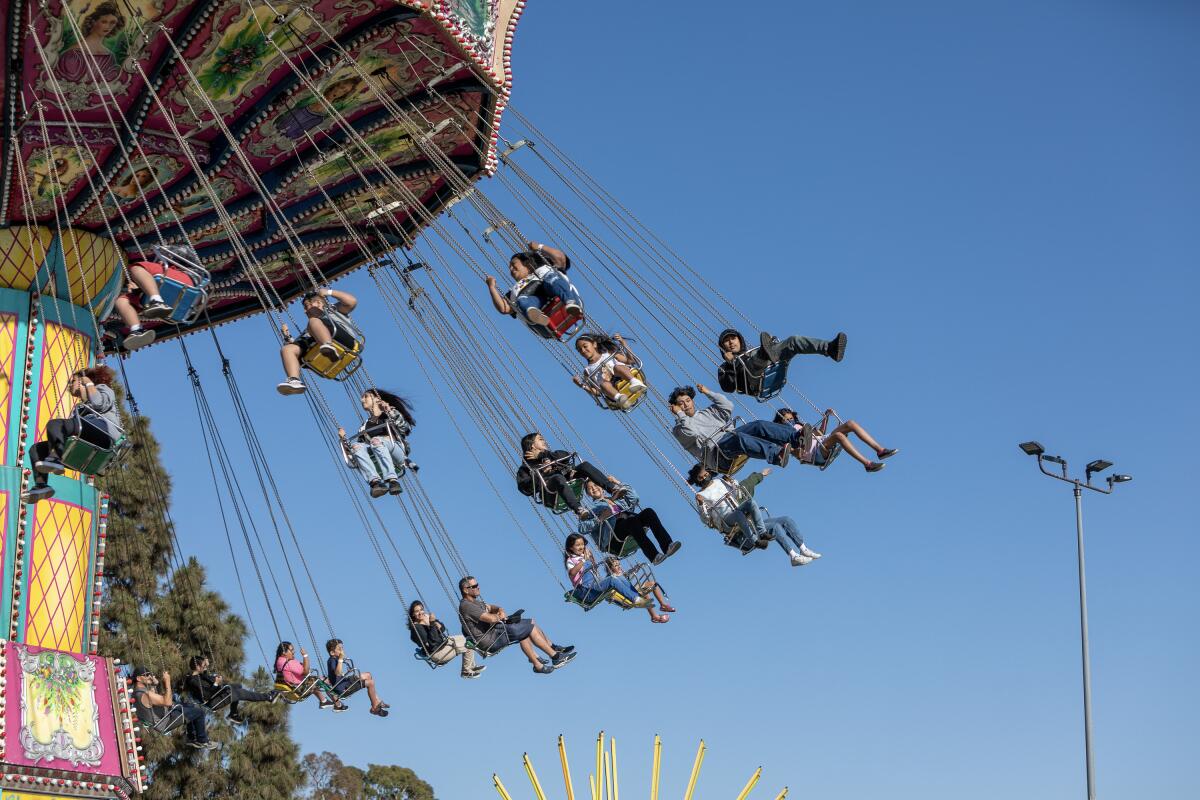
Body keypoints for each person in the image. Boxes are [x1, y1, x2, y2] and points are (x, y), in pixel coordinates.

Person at [24, 366, 122, 503]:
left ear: (82, 381)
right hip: (86, 443)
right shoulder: (80, 408)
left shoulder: (104, 389)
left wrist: (88, 382)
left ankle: (55, 458)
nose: (69, 385)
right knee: (36, 449)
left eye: (73, 381)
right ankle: (41, 485)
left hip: (103, 434)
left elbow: (99, 404)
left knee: (55, 424)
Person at [457, 576, 576, 674]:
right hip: (490, 639)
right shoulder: (466, 606)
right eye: (474, 586)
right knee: (529, 627)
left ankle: (542, 659)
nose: (478, 588)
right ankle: (555, 657)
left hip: (496, 632)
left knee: (529, 623)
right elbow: (491, 619)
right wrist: (500, 616)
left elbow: (491, 607)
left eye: (477, 585)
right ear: (466, 590)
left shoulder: (475, 602)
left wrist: (500, 609)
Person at [669, 384, 801, 470]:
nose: (686, 405)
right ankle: (776, 455)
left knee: (758, 425)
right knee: (738, 437)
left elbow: (728, 406)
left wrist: (708, 392)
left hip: (730, 438)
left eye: (688, 400)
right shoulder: (678, 430)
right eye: (681, 403)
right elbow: (692, 433)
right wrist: (680, 414)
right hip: (717, 454)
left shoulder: (707, 412)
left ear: (692, 401)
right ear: (676, 407)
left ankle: (796, 437)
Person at [564, 534, 670, 623]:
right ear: (570, 548)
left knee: (617, 577)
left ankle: (637, 597)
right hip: (586, 591)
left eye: (582, 544)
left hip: (595, 588)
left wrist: (590, 557)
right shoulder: (571, 560)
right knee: (612, 578)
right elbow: (572, 573)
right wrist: (583, 560)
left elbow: (594, 568)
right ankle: (637, 599)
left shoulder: (585, 557)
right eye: (577, 545)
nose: (581, 547)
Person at [515, 432, 625, 518]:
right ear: (533, 445)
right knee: (557, 478)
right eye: (540, 439)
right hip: (550, 493)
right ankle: (579, 510)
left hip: (566, 481)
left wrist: (543, 454)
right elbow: (525, 488)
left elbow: (566, 455)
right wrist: (543, 472)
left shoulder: (549, 455)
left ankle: (612, 489)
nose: (544, 441)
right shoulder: (526, 468)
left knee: (584, 465)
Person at [485, 243, 583, 338]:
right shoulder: (513, 292)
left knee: (551, 278)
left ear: (526, 263)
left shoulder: (544, 269)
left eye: (513, 264)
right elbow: (504, 308)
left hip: (555, 294)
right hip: (542, 320)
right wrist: (492, 287)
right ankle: (535, 314)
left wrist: (540, 247)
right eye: (509, 267)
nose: (511, 269)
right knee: (521, 300)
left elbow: (560, 258)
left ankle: (570, 302)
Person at [111, 247, 198, 350]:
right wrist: (136, 290)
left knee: (136, 268)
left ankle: (156, 300)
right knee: (121, 301)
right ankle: (136, 330)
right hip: (173, 289)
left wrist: (163, 253)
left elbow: (184, 254)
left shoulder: (179, 254)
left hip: (184, 279)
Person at [716, 329, 847, 397]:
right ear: (723, 347)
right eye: (726, 341)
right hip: (756, 383)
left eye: (733, 338)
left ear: (740, 340)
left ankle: (829, 348)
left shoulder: (750, 352)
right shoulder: (723, 367)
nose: (731, 342)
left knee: (793, 341)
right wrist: (730, 364)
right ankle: (765, 353)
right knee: (754, 360)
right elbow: (728, 388)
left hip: (773, 369)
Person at [577, 479, 680, 564]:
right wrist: (599, 519)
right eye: (590, 488)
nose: (594, 488)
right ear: (588, 494)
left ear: (601, 486)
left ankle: (667, 546)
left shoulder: (616, 497)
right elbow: (582, 528)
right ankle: (654, 556)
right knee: (631, 522)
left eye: (596, 484)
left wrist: (617, 482)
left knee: (648, 512)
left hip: (629, 524)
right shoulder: (592, 508)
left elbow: (634, 498)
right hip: (613, 539)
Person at [277, 287, 359, 395]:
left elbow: (352, 301)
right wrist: (288, 337)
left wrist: (328, 292)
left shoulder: (332, 310)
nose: (305, 310)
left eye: (308, 305)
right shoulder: (311, 328)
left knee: (313, 322)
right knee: (287, 349)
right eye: (305, 308)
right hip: (318, 346)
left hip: (343, 339)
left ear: (320, 303)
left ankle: (328, 345)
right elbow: (302, 345)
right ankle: (294, 379)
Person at [738, 467, 822, 566]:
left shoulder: (740, 490)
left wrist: (761, 474)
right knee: (775, 526)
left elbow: (749, 482)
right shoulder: (723, 505)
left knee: (786, 520)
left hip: (756, 522)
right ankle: (793, 556)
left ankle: (803, 549)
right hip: (746, 528)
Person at [338, 389, 416, 497]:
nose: (362, 399)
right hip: (376, 450)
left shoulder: (389, 414)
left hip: (395, 451)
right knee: (357, 446)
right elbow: (358, 452)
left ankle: (392, 480)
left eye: (366, 396)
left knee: (376, 440)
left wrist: (389, 410)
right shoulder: (364, 426)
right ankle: (375, 483)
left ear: (376, 398)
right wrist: (344, 440)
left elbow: (406, 429)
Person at [775, 407, 897, 473]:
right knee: (839, 436)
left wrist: (825, 417)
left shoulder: (800, 426)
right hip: (813, 454)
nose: (790, 422)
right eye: (786, 420)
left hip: (821, 441)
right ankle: (868, 464)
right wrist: (798, 449)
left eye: (791, 419)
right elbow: (796, 454)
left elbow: (820, 433)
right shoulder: (783, 435)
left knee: (850, 424)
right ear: (780, 422)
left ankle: (880, 450)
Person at [687, 464, 772, 553]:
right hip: (726, 520)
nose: (705, 478)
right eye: (701, 478)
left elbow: (736, 492)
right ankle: (755, 541)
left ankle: (762, 533)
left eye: (706, 474)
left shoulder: (719, 481)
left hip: (736, 508)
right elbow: (705, 519)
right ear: (697, 480)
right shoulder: (701, 495)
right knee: (738, 515)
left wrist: (731, 481)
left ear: (709, 472)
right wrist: (700, 504)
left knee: (751, 502)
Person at [131, 666, 217, 750]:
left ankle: (191, 737)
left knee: (190, 706)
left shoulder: (136, 694)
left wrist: (155, 685)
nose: (150, 676)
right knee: (199, 712)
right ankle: (202, 740)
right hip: (166, 721)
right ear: (138, 678)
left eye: (150, 674)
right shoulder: (146, 694)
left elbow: (153, 704)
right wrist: (167, 681)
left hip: (163, 718)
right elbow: (167, 702)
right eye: (146, 675)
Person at [182, 656, 277, 724]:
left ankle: (233, 713)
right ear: (198, 667)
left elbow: (207, 678)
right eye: (204, 666)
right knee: (240, 693)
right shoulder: (193, 680)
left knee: (237, 686)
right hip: (214, 701)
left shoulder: (199, 676)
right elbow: (205, 696)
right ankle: (269, 697)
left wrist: (212, 676)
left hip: (217, 694)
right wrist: (216, 683)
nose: (205, 667)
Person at [408, 600, 485, 678]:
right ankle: (466, 671)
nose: (420, 612)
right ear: (413, 614)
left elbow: (442, 629)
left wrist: (434, 623)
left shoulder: (426, 618)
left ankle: (472, 666)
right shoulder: (417, 628)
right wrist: (431, 624)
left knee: (468, 637)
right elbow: (433, 643)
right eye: (417, 611)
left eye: (421, 609)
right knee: (468, 644)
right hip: (437, 653)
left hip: (442, 644)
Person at [573, 333, 646, 409]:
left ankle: (634, 382)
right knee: (603, 385)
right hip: (613, 389)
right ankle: (620, 398)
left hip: (624, 377)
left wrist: (623, 343)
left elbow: (630, 361)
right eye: (580, 350)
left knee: (617, 367)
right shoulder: (587, 371)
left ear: (594, 344)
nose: (583, 350)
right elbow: (598, 392)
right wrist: (583, 386)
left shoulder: (608, 354)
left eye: (585, 346)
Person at [273, 641, 345, 711]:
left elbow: (299, 670)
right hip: (298, 690)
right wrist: (305, 656)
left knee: (317, 680)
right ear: (284, 652)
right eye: (291, 650)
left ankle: (324, 701)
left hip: (290, 688)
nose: (294, 652)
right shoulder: (289, 662)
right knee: (321, 681)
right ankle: (338, 704)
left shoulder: (279, 661)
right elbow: (306, 672)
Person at [325, 639, 389, 717]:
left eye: (342, 648)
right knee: (370, 683)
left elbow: (339, 674)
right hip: (342, 689)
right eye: (339, 649)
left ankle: (377, 701)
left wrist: (342, 661)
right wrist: (341, 659)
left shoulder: (335, 659)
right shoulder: (332, 660)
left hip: (344, 682)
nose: (342, 651)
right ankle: (375, 707)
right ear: (332, 653)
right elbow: (338, 672)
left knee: (368, 675)